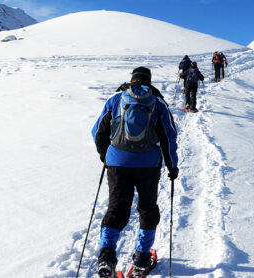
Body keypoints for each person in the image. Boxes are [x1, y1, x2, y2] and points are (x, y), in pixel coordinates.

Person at [91, 66, 179, 278]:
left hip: (118, 163)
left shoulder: (116, 100)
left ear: (132, 80)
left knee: (116, 209)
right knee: (147, 208)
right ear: (148, 81)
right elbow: (169, 137)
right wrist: (172, 166)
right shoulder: (157, 103)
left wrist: (107, 157)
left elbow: (97, 132)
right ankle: (141, 260)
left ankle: (106, 258)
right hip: (148, 164)